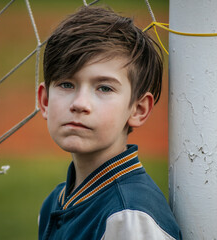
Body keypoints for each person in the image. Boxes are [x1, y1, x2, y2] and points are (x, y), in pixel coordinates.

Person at [37, 6, 181, 240]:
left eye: (104, 88)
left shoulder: (128, 219)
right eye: (66, 84)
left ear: (138, 109)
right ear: (45, 100)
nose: (80, 103)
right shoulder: (56, 202)